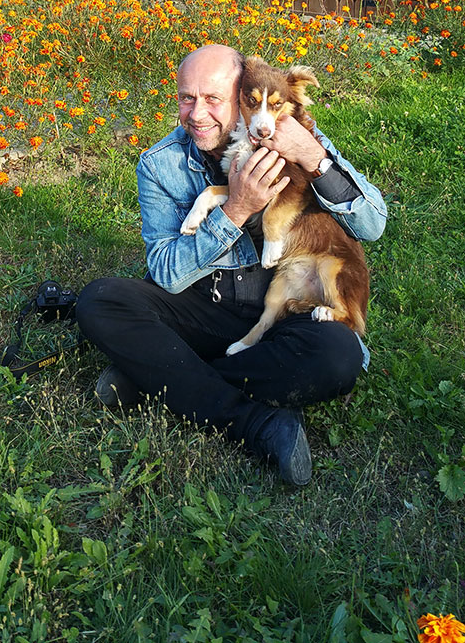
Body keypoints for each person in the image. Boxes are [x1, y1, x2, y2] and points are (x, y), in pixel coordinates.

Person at [76, 44, 387, 486]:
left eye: (213, 99)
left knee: (338, 357)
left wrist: (316, 160)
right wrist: (234, 211)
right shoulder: (160, 163)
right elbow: (165, 271)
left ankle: (158, 380)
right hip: (204, 304)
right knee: (100, 301)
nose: (197, 113)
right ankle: (256, 419)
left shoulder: (296, 134)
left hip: (282, 305)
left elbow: (373, 224)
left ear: (243, 95)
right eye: (187, 97)